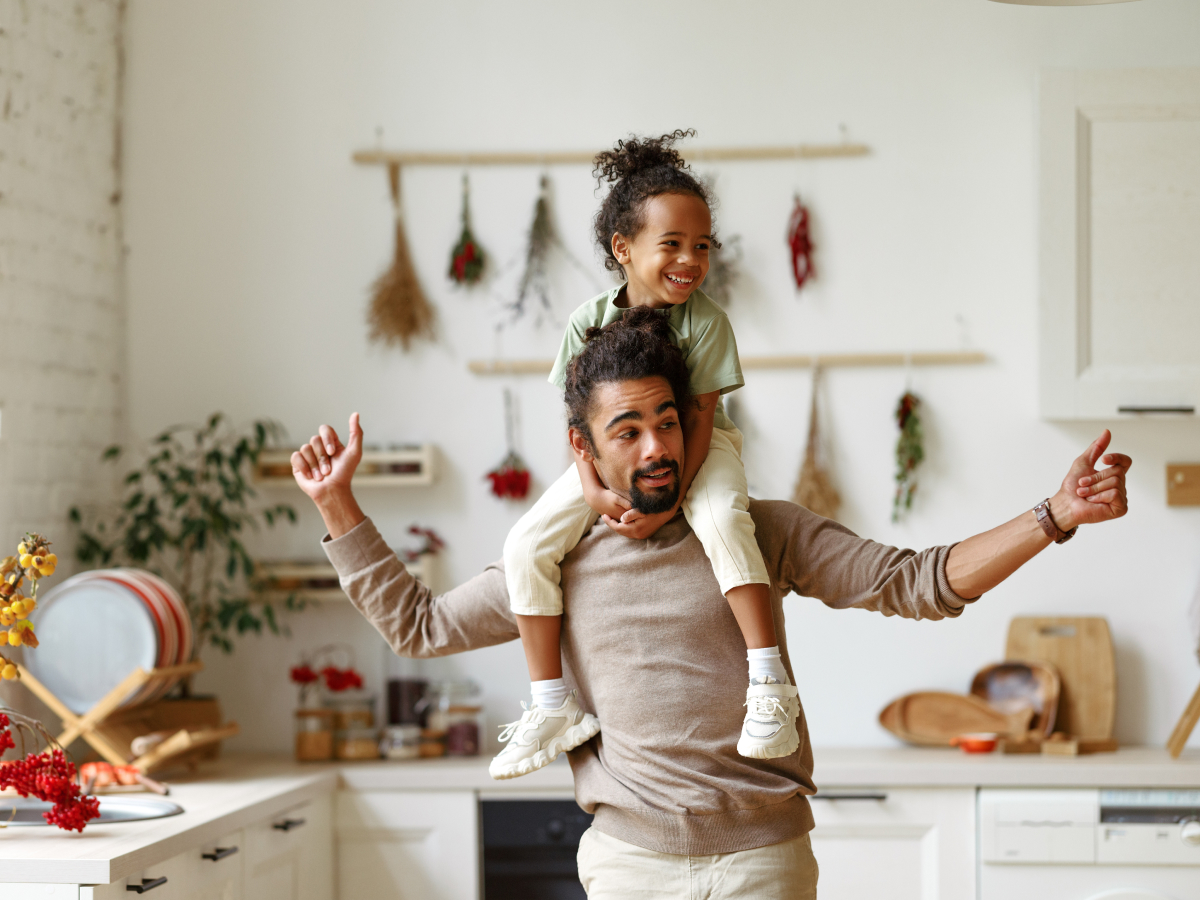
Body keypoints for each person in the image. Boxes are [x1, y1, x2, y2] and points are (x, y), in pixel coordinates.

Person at [291, 313, 1130, 900]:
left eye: (668, 420)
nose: (657, 445)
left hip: (764, 865)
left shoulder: (757, 528)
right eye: (628, 430)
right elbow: (421, 624)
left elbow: (919, 581)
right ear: (582, 448)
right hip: (629, 868)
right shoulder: (555, 560)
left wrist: (1054, 516)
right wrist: (337, 506)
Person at [496, 129, 791, 779]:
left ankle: (769, 683)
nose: (691, 260)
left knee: (720, 521)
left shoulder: (706, 322)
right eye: (673, 245)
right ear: (623, 249)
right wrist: (596, 489)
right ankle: (551, 702)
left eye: (703, 247)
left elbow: (698, 416)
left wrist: (664, 509)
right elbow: (579, 422)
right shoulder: (586, 322)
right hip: (612, 457)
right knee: (525, 545)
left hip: (699, 444)